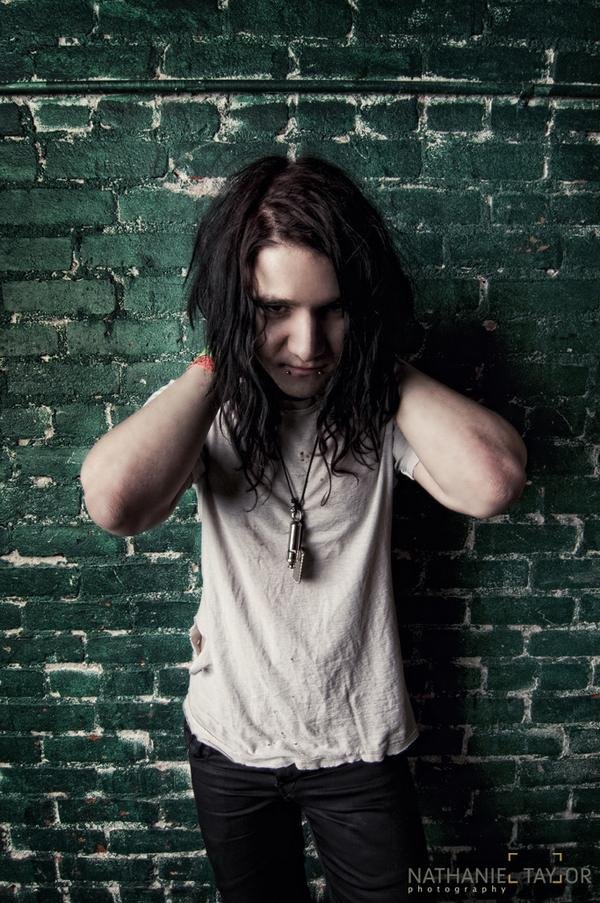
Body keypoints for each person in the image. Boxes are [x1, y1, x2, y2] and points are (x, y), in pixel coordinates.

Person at [80, 154, 527, 903]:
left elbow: (495, 480)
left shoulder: (379, 407)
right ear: (237, 307)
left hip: (358, 743)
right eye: (274, 309)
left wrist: (378, 361)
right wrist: (222, 359)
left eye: (333, 309)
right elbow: (114, 502)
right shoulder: (209, 408)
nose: (307, 344)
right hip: (230, 741)